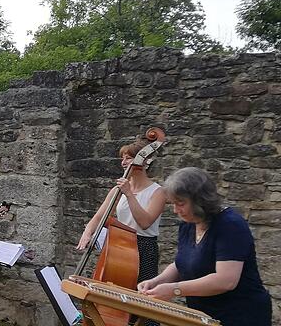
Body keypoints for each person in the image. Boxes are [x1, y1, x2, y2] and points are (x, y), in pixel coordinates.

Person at [138, 167, 272, 326]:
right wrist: (157, 282)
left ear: (199, 200)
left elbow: (225, 280)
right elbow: (182, 264)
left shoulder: (230, 225)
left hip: (241, 316)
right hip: (204, 316)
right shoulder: (188, 224)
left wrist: (174, 289)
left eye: (180, 204)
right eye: (173, 204)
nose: (175, 210)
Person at [76, 138, 166, 319]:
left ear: (144, 162)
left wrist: (129, 194)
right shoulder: (118, 189)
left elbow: (145, 222)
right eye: (122, 158)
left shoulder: (158, 192)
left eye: (128, 158)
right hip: (121, 247)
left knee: (140, 304)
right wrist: (87, 233)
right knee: (113, 297)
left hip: (144, 248)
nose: (123, 163)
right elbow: (99, 215)